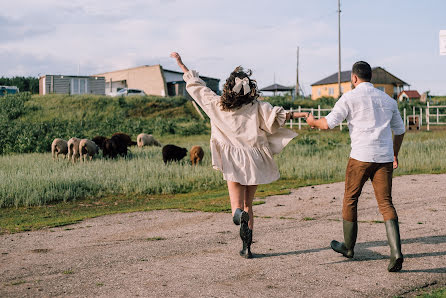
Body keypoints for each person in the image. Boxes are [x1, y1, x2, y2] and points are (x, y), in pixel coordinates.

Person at [170, 52, 308, 258]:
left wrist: (181, 64)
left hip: (232, 160)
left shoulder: (216, 104)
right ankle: (247, 248)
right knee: (248, 206)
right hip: (255, 159)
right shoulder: (258, 107)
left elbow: (197, 88)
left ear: (228, 87)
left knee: (237, 206)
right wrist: (303, 114)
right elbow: (280, 115)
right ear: (249, 88)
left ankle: (236, 215)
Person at [306, 61, 405, 272]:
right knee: (386, 203)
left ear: (354, 78)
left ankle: (349, 248)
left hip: (360, 157)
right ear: (371, 77)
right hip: (384, 158)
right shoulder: (388, 100)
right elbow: (400, 130)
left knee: (351, 199)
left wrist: (313, 122)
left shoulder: (349, 98)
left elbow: (328, 124)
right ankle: (396, 253)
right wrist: (394, 153)